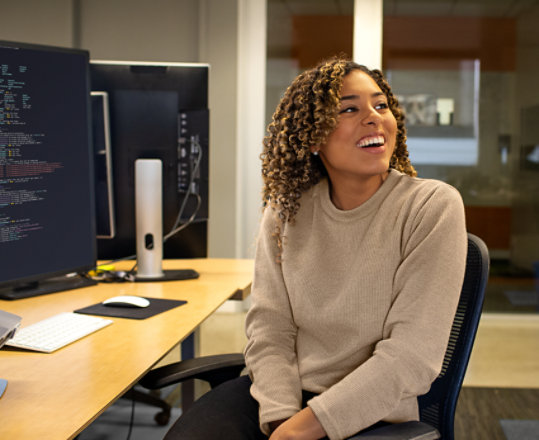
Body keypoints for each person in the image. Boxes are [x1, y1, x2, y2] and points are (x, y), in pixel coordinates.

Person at [164, 57, 467, 440]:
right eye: (349, 109)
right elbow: (270, 329)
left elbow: (412, 356)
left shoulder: (431, 206)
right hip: (280, 397)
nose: (374, 117)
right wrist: (280, 418)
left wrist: (302, 430)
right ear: (312, 137)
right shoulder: (285, 210)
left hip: (369, 411)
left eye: (381, 105)